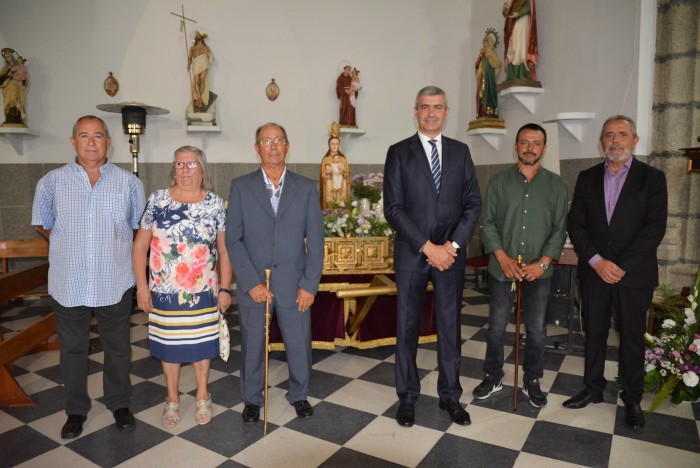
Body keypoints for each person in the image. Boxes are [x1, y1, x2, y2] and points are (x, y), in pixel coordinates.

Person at [31, 115, 146, 439]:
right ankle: (76, 410)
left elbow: (140, 229)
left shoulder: (129, 183)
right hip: (69, 281)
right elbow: (43, 222)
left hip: (115, 279)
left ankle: (120, 403)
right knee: (72, 349)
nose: (92, 142)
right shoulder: (51, 182)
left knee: (118, 348)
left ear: (109, 142)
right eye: (84, 135)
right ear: (73, 142)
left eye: (98, 135)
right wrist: (70, 243)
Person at [384, 86, 482, 427]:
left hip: (451, 257)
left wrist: (451, 247)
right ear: (415, 111)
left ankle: (451, 397)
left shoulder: (460, 151)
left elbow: (473, 203)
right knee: (407, 327)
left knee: (450, 328)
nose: (431, 112)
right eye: (425, 107)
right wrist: (428, 248)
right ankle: (408, 397)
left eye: (437, 107)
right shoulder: (399, 152)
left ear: (446, 111)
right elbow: (393, 210)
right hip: (414, 255)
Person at [564, 115, 668, 430]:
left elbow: (654, 228)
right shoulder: (587, 176)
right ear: (602, 141)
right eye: (609, 135)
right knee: (594, 332)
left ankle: (632, 398)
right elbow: (576, 223)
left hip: (633, 275)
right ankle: (593, 388)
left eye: (622, 134)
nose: (615, 140)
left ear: (634, 140)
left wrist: (620, 266)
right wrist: (597, 260)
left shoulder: (652, 178)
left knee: (632, 337)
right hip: (595, 271)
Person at [226, 122, 324, 423]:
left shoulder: (305, 188)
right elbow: (233, 239)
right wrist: (251, 282)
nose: (272, 146)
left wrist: (309, 284)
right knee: (253, 345)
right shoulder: (241, 187)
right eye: (266, 141)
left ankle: (299, 394)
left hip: (294, 283)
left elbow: (316, 241)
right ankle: (252, 399)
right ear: (257, 148)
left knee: (298, 344)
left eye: (278, 140)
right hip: (255, 282)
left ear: (287, 146)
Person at [132, 145, 233, 428]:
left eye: (190, 165)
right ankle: (172, 399)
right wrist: (142, 287)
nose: (185, 170)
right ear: (172, 169)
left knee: (202, 346)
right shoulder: (157, 200)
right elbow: (140, 246)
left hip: (203, 291)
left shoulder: (215, 204)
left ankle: (202, 395)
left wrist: (225, 288)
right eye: (179, 164)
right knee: (169, 347)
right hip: (164, 291)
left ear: (202, 170)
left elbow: (224, 252)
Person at [472, 123, 567, 408]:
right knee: (497, 327)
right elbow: (487, 222)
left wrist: (543, 262)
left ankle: (532, 380)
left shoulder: (556, 185)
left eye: (536, 143)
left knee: (537, 329)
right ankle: (493, 375)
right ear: (516, 146)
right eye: (524, 142)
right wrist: (501, 257)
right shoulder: (499, 182)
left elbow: (560, 227)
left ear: (544, 149)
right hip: (503, 268)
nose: (529, 148)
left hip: (539, 271)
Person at [502, 0, 538, 82]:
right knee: (513, 46)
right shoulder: (513, 1)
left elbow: (529, 6)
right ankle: (513, 73)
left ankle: (522, 72)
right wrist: (506, 8)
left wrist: (519, 13)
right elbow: (505, 14)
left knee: (521, 45)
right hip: (513, 24)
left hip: (523, 20)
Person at [475, 33, 501, 119]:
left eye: (486, 43)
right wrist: (478, 75)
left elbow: (497, 65)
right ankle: (482, 113)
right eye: (484, 43)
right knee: (480, 95)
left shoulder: (492, 54)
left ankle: (489, 112)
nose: (485, 45)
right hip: (482, 79)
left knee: (487, 95)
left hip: (489, 81)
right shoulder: (483, 55)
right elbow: (478, 66)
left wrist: (492, 77)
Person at [0, 48, 29, 126]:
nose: (7, 58)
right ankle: (9, 118)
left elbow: (24, 80)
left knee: (17, 102)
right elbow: (0, 80)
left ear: (12, 57)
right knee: (9, 102)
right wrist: (7, 75)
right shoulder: (4, 69)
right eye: (6, 57)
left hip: (17, 88)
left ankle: (17, 118)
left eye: (9, 56)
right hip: (8, 89)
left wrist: (19, 76)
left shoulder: (18, 67)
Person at [320, 136, 350, 209]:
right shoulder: (326, 159)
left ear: (339, 145)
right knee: (330, 202)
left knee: (341, 202)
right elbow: (322, 174)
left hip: (341, 184)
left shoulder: (343, 158)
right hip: (330, 184)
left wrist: (343, 170)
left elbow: (347, 174)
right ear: (329, 145)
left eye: (336, 144)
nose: (334, 145)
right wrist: (327, 172)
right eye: (332, 144)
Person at [187, 31, 214, 111]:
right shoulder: (192, 48)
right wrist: (188, 65)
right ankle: (199, 99)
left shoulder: (207, 47)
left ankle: (199, 100)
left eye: (198, 36)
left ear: (202, 38)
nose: (197, 36)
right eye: (196, 36)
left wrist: (207, 53)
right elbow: (189, 58)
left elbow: (210, 57)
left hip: (204, 63)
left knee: (201, 81)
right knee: (196, 80)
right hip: (196, 63)